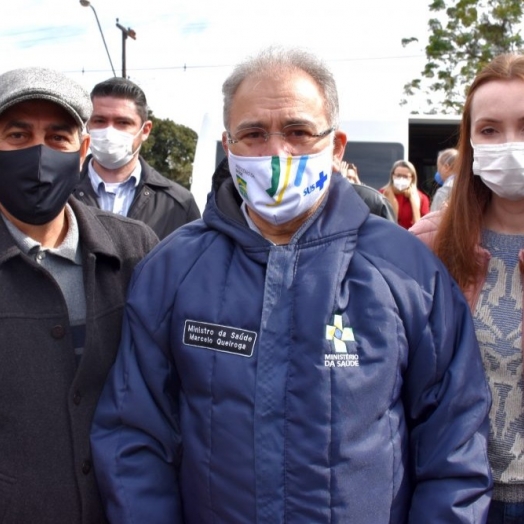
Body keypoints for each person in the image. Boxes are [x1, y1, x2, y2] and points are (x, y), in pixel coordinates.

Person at [91, 46, 492, 523]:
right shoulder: (173, 269)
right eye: (254, 134)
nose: (276, 153)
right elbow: (133, 436)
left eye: (299, 132)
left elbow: (455, 440)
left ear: (337, 146)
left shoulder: (405, 269)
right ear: (228, 145)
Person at [0, 66, 158, 523]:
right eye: (17, 135)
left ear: (81, 149)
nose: (38, 153)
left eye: (57, 137)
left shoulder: (134, 248)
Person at [410, 53, 524, 523]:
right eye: (490, 130)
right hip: (459, 498)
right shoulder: (427, 243)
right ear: (471, 141)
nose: (510, 145)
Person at [73, 77, 200, 240]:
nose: (109, 132)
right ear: (86, 125)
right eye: (99, 121)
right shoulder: (59, 190)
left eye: (123, 122)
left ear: (145, 130)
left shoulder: (178, 203)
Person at [380, 159, 430, 228]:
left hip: (411, 236)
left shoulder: (421, 198)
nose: (401, 179)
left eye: (405, 176)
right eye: (398, 175)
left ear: (412, 178)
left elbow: (425, 225)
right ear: (392, 175)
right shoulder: (382, 194)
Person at [430, 147, 458, 212]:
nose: (438, 172)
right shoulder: (469, 184)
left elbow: (434, 219)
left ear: (446, 167)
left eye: (438, 167)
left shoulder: (445, 191)